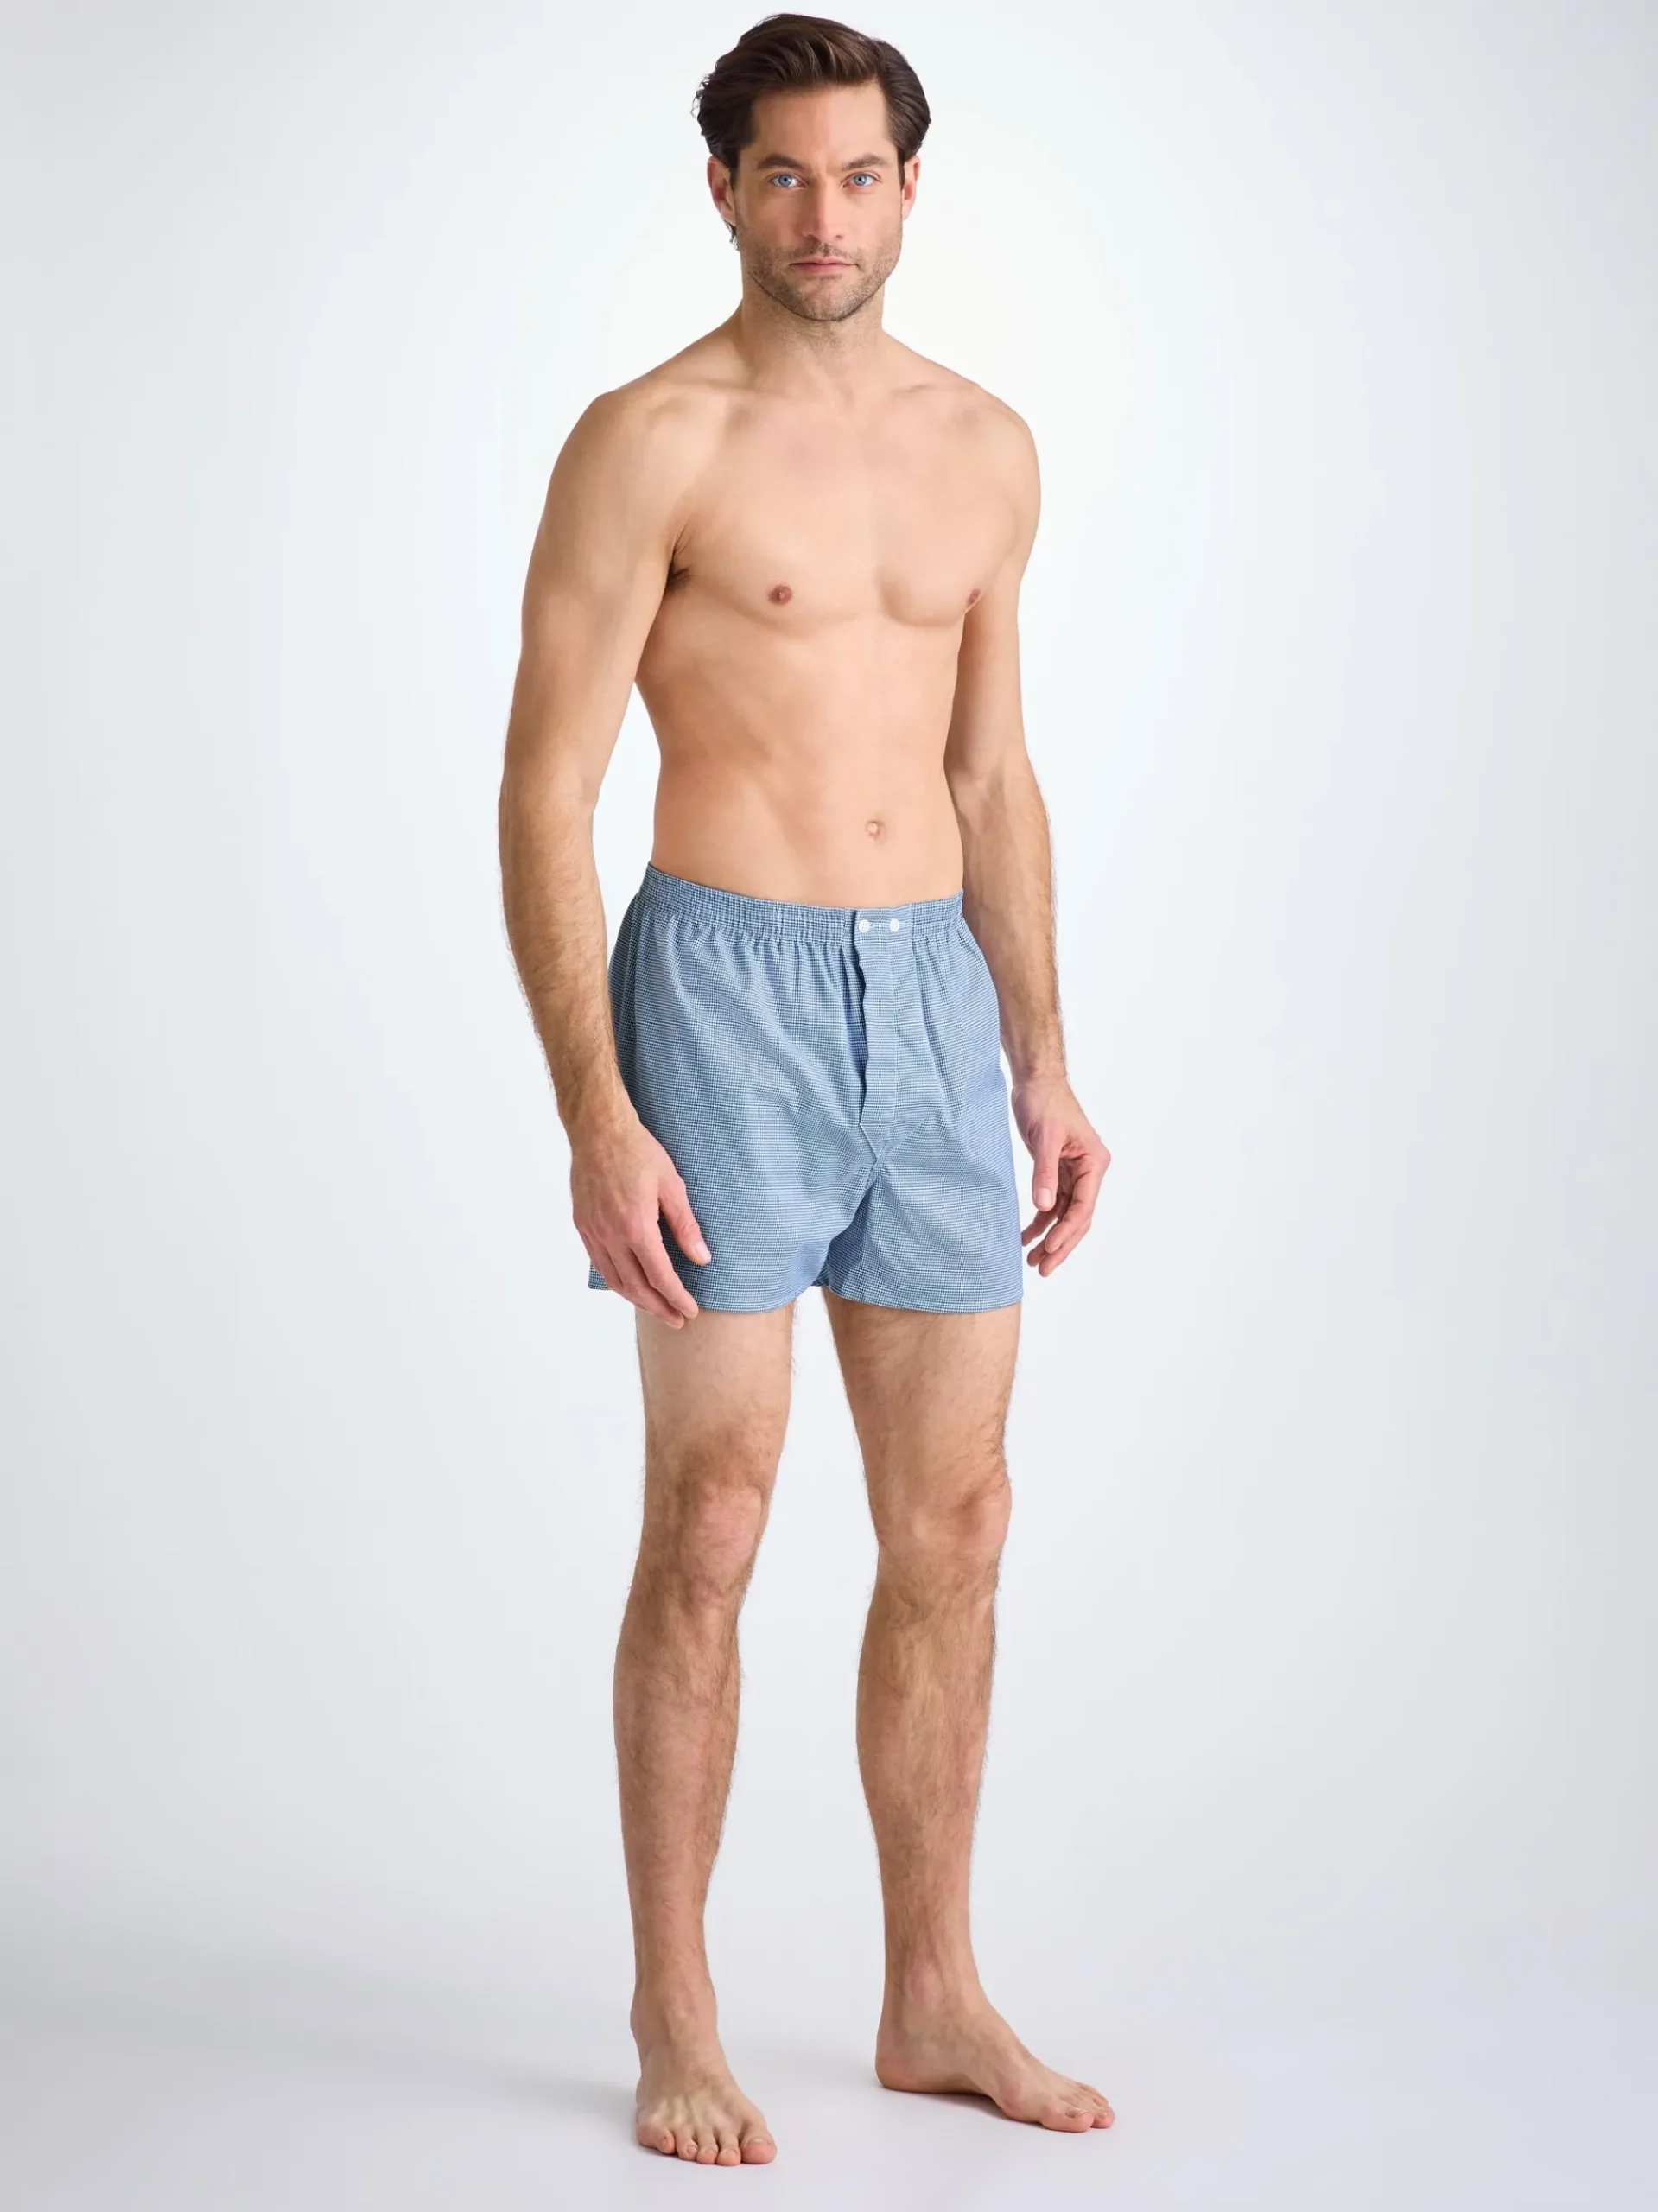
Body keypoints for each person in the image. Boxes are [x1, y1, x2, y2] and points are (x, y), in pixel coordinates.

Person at [498, 11, 1113, 2170]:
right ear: (723, 189)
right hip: (719, 994)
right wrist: (595, 1107)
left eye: (858, 176)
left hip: (929, 1001)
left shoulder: (986, 448)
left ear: (909, 187)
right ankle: (674, 2007)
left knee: (958, 1519)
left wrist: (1039, 1055)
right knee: (714, 1514)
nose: (823, 216)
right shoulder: (645, 438)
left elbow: (989, 773)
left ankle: (930, 1991)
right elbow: (543, 789)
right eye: (783, 175)